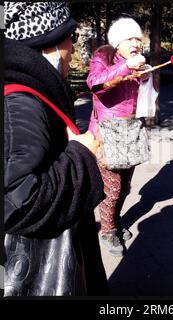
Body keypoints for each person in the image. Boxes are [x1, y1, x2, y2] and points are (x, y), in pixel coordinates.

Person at [4, 2, 108, 296]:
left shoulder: (28, 90)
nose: (73, 49)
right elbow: (18, 201)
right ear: (46, 42)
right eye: (70, 38)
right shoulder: (20, 102)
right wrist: (81, 154)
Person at [87, 17, 150, 257]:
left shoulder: (138, 63)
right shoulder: (104, 55)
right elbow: (94, 83)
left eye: (138, 38)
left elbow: (141, 98)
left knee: (125, 187)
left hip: (132, 129)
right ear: (118, 41)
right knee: (112, 187)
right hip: (107, 131)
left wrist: (145, 78)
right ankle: (106, 230)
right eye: (129, 38)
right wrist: (127, 67)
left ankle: (114, 221)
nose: (135, 42)